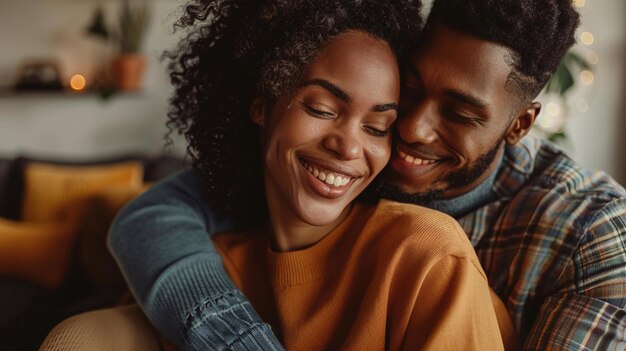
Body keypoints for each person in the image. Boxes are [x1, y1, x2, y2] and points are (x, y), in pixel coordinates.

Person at [109, 0, 626, 350]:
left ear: (520, 125)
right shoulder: (339, 171)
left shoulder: (592, 231)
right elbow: (154, 214)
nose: (412, 130)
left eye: (461, 115)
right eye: (409, 93)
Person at [42, 0, 507, 350]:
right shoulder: (213, 264)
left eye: (377, 127)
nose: (348, 145)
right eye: (322, 108)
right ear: (261, 103)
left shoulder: (425, 256)